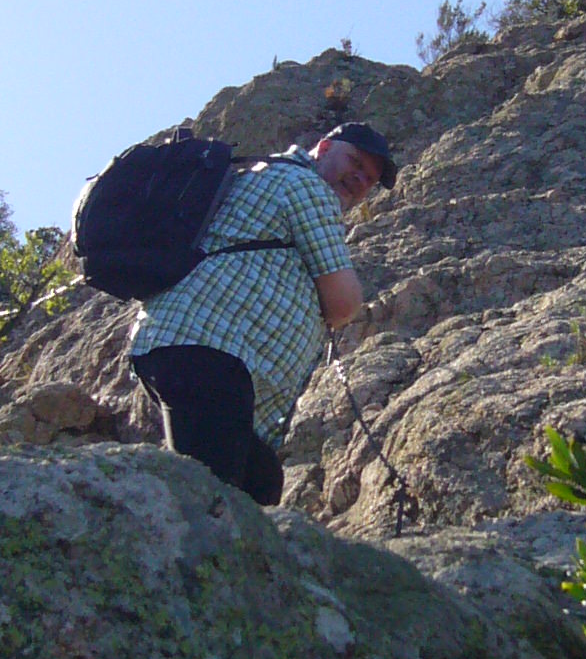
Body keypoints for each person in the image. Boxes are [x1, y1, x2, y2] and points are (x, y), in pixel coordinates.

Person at [128, 120, 396, 504]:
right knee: (212, 502)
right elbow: (344, 302)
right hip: (208, 353)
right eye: (354, 162)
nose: (359, 179)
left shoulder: (266, 175)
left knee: (261, 483)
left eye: (369, 178)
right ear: (323, 149)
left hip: (198, 354)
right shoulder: (305, 186)